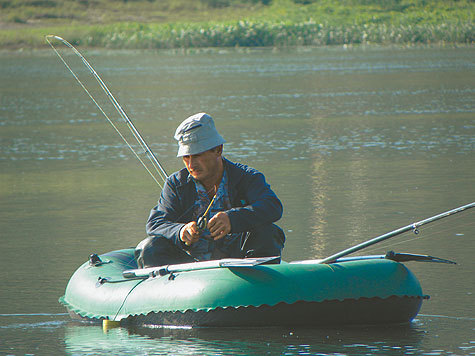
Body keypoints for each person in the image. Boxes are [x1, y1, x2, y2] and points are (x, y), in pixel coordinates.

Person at [135, 113, 285, 268]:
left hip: (240, 261)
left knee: (268, 232)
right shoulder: (175, 184)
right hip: (190, 265)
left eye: (197, 155)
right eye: (186, 157)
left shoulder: (247, 177)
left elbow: (272, 206)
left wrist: (232, 219)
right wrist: (181, 231)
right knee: (150, 247)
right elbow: (156, 223)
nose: (191, 165)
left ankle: (258, 284)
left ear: (218, 150)